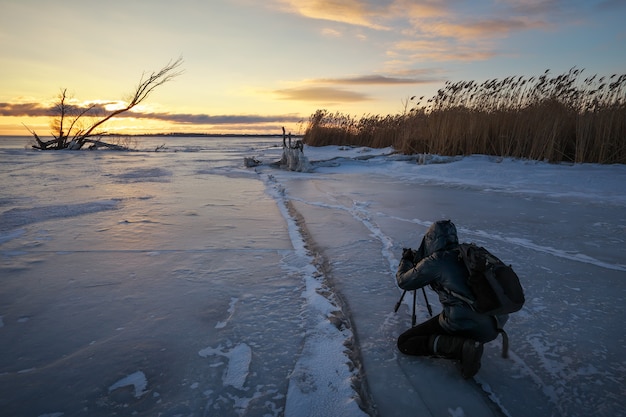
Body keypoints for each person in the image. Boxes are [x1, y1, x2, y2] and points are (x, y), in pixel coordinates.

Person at [395, 219, 508, 378]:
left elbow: (404, 281)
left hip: (464, 323)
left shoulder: (437, 260)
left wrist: (406, 260)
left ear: (430, 239)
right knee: (453, 314)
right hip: (493, 324)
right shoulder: (468, 253)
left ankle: (463, 347)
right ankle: (468, 342)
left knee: (405, 342)